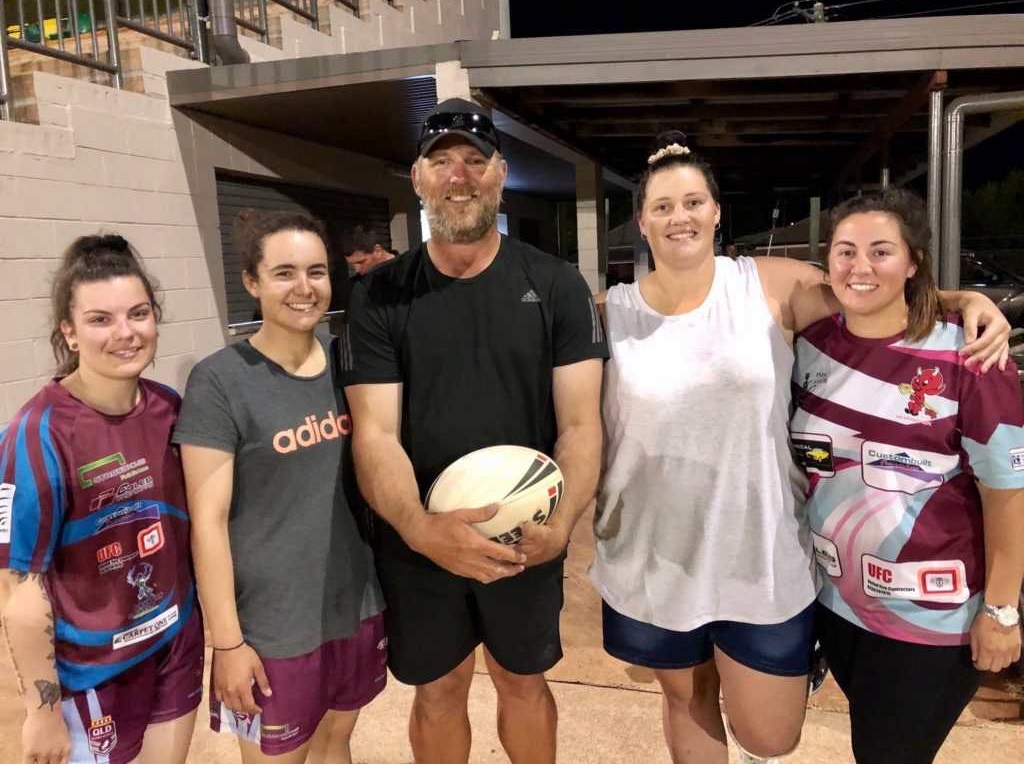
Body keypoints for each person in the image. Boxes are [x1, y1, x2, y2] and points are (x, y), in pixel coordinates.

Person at [589, 133, 1011, 764]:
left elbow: (867, 291)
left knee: (771, 735)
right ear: (643, 221)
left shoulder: (767, 285)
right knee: (685, 698)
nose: (681, 217)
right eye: (663, 206)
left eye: (694, 201)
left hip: (759, 551)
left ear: (716, 212)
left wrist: (964, 300)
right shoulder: (605, 313)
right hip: (653, 551)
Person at [341, 97, 607, 764]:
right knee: (438, 692)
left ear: (500, 173)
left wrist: (563, 524)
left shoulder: (555, 286)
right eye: (442, 163)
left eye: (475, 161)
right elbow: (374, 433)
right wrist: (418, 527)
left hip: (525, 532)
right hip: (418, 536)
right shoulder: (380, 296)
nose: (459, 176)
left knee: (523, 681)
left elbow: (580, 424)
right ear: (419, 179)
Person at [790, 188, 1024, 764]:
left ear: (914, 261)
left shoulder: (968, 355)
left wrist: (1001, 611)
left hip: (931, 617)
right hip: (836, 604)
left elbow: (1008, 497)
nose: (859, 267)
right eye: (845, 251)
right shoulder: (810, 347)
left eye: (880, 251)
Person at [175, 210, 385, 764]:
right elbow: (209, 521)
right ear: (251, 280)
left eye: (317, 272)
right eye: (284, 272)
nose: (304, 288)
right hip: (270, 629)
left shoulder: (351, 364)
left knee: (336, 742)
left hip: (355, 604)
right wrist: (228, 642)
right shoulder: (220, 380)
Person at [0, 235, 202, 764]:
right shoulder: (34, 434)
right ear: (68, 331)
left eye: (138, 313)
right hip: (93, 669)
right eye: (100, 319)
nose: (125, 333)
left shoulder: (171, 408)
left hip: (174, 638)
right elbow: (18, 587)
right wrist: (41, 711)